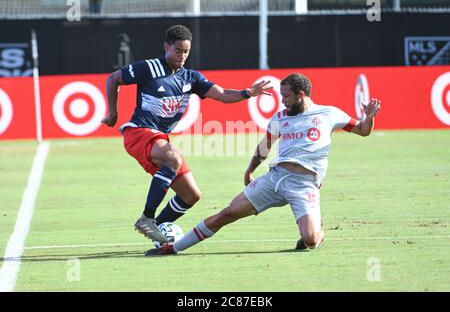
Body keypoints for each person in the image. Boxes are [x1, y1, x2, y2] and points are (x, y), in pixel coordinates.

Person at [145, 72, 381, 255]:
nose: (283, 101)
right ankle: (172, 248)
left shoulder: (329, 114)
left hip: (304, 185)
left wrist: (369, 118)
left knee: (310, 240)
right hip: (274, 179)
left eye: (286, 96)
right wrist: (250, 170)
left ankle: (318, 229)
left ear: (301, 94)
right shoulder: (279, 117)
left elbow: (362, 130)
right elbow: (265, 146)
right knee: (226, 214)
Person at [101, 25, 272, 243]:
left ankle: (157, 230)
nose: (182, 56)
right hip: (139, 132)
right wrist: (113, 112)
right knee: (173, 157)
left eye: (186, 52)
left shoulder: (191, 78)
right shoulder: (149, 68)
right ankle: (147, 217)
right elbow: (113, 78)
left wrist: (247, 93)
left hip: (159, 138)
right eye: (178, 51)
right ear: (166, 47)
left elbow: (223, 95)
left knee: (191, 195)